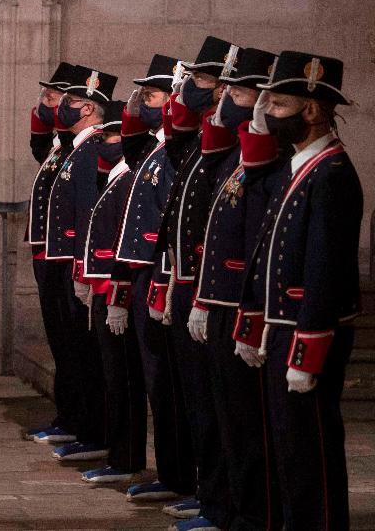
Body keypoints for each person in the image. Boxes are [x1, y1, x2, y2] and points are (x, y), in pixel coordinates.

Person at [234, 51, 362, 530]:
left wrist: (307, 354)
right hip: (281, 329)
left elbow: (324, 269)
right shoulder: (299, 166)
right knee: (288, 448)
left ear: (312, 109)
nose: (270, 113)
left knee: (311, 449)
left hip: (307, 333)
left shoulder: (332, 173)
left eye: (281, 105)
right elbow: (267, 250)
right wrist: (252, 322)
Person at [191, 47, 282, 530]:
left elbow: (258, 244)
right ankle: (227, 508)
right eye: (225, 87)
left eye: (240, 90)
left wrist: (247, 313)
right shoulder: (238, 157)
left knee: (247, 427)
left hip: (246, 307)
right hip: (222, 301)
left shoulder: (270, 161)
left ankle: (251, 515)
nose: (227, 97)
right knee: (226, 419)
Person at [153, 36, 240, 531]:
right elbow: (178, 132)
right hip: (189, 283)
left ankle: (224, 502)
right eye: (211, 83)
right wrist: (189, 92)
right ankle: (211, 496)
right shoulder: (203, 148)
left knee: (219, 409)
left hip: (215, 292)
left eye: (221, 83)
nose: (213, 93)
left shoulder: (233, 153)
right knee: (199, 404)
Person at [108, 54, 194, 506]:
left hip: (163, 280)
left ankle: (182, 476)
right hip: (145, 280)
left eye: (154, 95)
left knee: (168, 388)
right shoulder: (157, 148)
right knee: (158, 387)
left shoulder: (175, 151)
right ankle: (171, 472)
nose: (143, 100)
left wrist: (161, 287)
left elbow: (170, 225)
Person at [41, 67, 118, 465]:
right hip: (68, 264)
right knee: (73, 348)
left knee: (86, 354)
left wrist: (82, 270)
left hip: (79, 267)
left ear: (88, 107)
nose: (61, 106)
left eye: (69, 100)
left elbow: (89, 214)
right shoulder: (76, 148)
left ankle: (92, 430)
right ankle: (82, 426)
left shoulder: (90, 151)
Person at [79, 101, 148, 486]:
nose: (104, 141)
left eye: (110, 135)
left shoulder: (127, 179)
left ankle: (126, 457)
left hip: (115, 290)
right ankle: (119, 454)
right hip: (104, 288)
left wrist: (117, 299)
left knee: (122, 378)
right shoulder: (116, 178)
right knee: (112, 375)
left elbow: (125, 244)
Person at [24, 62, 89, 445]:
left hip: (65, 258)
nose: (52, 104)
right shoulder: (58, 147)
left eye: (59, 97)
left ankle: (79, 421)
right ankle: (68, 417)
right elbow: (39, 146)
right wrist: (41, 110)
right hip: (48, 254)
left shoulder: (82, 147)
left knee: (74, 344)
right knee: (61, 344)